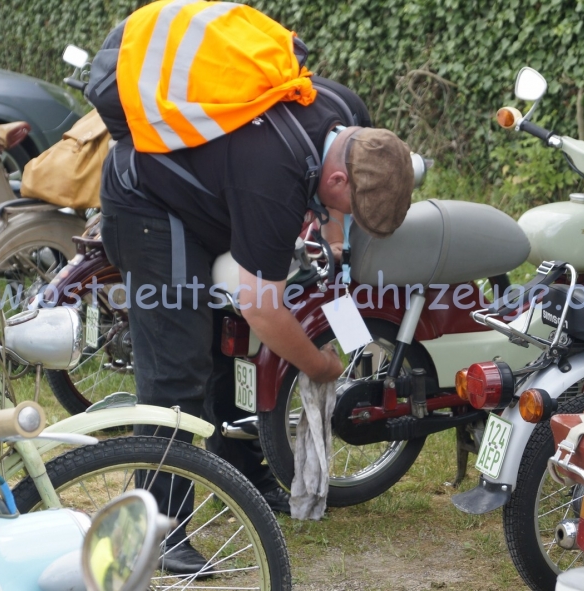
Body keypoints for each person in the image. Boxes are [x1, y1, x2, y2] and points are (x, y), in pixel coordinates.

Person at [95, 4, 414, 575]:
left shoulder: (347, 114)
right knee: (177, 374)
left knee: (229, 341)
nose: (345, 216)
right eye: (348, 208)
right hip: (148, 204)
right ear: (336, 177)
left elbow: (328, 217)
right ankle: (158, 530)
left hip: (210, 192)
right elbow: (263, 306)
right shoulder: (277, 173)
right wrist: (317, 365)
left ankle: (239, 465)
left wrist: (336, 242)